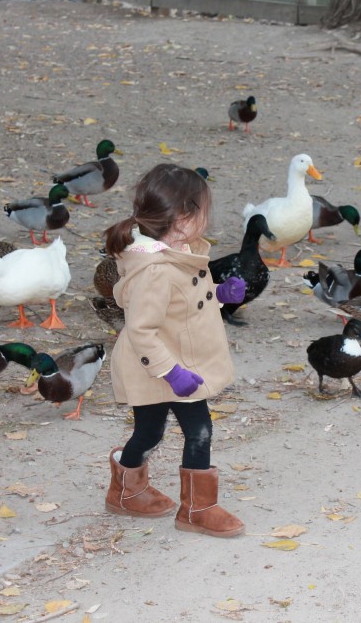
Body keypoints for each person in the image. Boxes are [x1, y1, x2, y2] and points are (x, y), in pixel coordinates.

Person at [103, 163, 247, 538]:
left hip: (178, 358)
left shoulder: (181, 250)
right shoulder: (155, 270)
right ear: (183, 219)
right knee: (194, 431)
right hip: (161, 366)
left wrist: (219, 295)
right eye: (203, 210)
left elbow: (184, 307)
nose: (207, 218)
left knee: (152, 432)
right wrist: (172, 372)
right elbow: (141, 329)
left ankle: (125, 489)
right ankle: (197, 509)